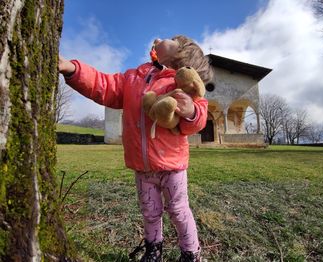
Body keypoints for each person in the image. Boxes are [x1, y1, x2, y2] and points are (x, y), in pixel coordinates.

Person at [59, 35, 213, 262]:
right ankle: (153, 250)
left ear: (181, 53)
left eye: (169, 40)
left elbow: (198, 118)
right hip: (142, 167)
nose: (160, 39)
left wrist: (190, 111)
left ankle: (191, 253)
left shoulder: (183, 83)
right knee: (150, 212)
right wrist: (73, 69)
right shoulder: (133, 77)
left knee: (179, 210)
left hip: (172, 166)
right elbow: (105, 85)